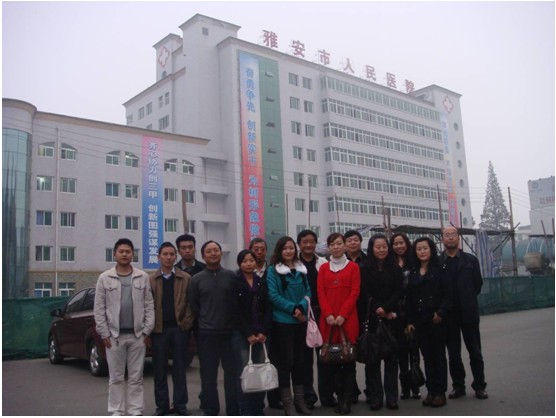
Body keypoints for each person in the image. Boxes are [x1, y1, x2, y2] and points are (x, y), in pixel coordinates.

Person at [93, 238, 154, 416]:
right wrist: (104, 334)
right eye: (121, 251)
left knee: (136, 377)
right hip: (114, 337)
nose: (125, 254)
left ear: (132, 254)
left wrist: (147, 331)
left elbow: (149, 305)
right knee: (116, 378)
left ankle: (135, 410)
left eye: (128, 251)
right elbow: (99, 308)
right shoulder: (105, 278)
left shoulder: (142, 276)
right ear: (115, 254)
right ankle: (116, 410)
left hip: (137, 336)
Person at [188, 241, 239, 416]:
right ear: (203, 256)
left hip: (229, 333)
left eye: (216, 250)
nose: (213, 253)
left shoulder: (231, 276)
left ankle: (233, 409)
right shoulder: (196, 279)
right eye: (209, 251)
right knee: (208, 376)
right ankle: (211, 409)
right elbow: (194, 306)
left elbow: (236, 303)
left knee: (232, 375)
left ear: (221, 253)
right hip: (207, 333)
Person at [441, 226, 488, 400]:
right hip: (449, 315)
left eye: (453, 234)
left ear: (458, 237)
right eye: (447, 235)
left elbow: (477, 284)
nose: (450, 237)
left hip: (469, 313)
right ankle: (458, 386)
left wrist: (467, 299)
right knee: (453, 354)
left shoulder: (470, 260)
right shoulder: (439, 262)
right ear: (443, 239)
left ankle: (480, 386)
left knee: (475, 352)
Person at [267, 236, 312, 416]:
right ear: (279, 251)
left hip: (300, 322)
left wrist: (302, 307)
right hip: (282, 322)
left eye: (291, 248)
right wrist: (293, 308)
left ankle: (299, 401)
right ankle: (287, 403)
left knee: (300, 362)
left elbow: (308, 291)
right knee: (286, 362)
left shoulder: (301, 268)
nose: (288, 251)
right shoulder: (273, 270)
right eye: (285, 248)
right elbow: (273, 295)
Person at [358, 234, 403, 411]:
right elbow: (364, 292)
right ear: (371, 248)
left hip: (391, 318)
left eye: (384, 246)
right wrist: (378, 307)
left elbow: (398, 291)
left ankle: (392, 398)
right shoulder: (364, 268)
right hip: (372, 318)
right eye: (378, 247)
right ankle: (376, 397)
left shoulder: (395, 267)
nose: (382, 250)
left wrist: (386, 308)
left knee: (392, 361)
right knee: (373, 361)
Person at [317, 233, 360, 415]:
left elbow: (355, 292)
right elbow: (320, 293)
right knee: (332, 362)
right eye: (332, 244)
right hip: (328, 321)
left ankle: (346, 400)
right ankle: (338, 396)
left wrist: (342, 314)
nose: (336, 247)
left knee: (348, 361)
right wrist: (328, 314)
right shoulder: (323, 268)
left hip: (347, 320)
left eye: (339, 243)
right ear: (329, 247)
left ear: (345, 246)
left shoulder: (353, 267)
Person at [406, 237, 452, 408]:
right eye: (419, 249)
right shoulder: (413, 272)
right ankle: (431, 391)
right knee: (427, 357)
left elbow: (449, 294)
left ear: (431, 250)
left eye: (425, 248)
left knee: (438, 355)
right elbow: (410, 299)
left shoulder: (440, 269)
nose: (422, 252)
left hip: (436, 319)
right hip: (420, 320)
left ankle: (440, 392)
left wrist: (441, 312)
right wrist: (410, 321)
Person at [149, 242, 194, 416]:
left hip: (179, 329)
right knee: (159, 370)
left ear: (176, 256)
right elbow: (147, 305)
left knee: (179, 369)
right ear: (159, 257)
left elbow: (191, 304)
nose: (168, 257)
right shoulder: (151, 279)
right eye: (165, 254)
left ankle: (180, 405)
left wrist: (186, 324)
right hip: (158, 331)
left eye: (171, 254)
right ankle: (162, 406)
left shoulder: (185, 278)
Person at [232, 249, 273, 415]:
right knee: (245, 371)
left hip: (262, 334)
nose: (248, 264)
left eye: (251, 260)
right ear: (239, 264)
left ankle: (258, 406)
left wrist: (263, 332)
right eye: (244, 261)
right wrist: (248, 333)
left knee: (261, 370)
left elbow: (268, 308)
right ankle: (246, 408)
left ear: (256, 263)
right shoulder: (234, 282)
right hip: (242, 335)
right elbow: (234, 311)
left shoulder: (262, 282)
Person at [297, 230, 329, 409]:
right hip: (302, 315)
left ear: (316, 244)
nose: (308, 245)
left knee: (324, 356)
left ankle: (326, 395)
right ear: (299, 244)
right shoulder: (294, 264)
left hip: (321, 313)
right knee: (304, 359)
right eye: (305, 242)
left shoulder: (323, 262)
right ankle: (308, 396)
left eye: (311, 242)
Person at [249, 237, 282, 410]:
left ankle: (274, 399)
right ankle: (256, 402)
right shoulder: (244, 272)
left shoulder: (273, 271)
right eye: (256, 249)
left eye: (262, 249)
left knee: (272, 362)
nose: (259, 252)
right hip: (251, 326)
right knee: (254, 364)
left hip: (272, 323)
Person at [390, 233, 421, 400]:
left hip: (412, 310)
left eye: (401, 243)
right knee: (401, 351)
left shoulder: (414, 261)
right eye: (395, 243)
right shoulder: (390, 263)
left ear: (407, 244)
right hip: (396, 312)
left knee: (414, 350)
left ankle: (415, 385)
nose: (398, 246)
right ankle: (405, 387)